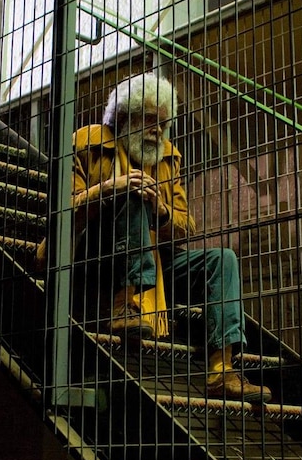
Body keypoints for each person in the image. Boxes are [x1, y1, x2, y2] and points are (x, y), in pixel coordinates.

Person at [49, 71, 272, 403]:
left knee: (221, 259)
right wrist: (110, 189)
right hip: (93, 256)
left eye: (163, 124)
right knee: (131, 192)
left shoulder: (168, 157)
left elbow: (186, 224)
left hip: (154, 264)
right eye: (150, 119)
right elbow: (63, 211)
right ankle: (126, 305)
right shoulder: (85, 142)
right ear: (125, 117)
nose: (157, 131)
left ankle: (221, 369)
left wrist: (161, 211)